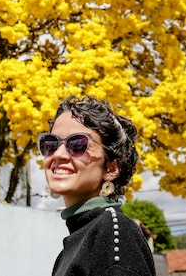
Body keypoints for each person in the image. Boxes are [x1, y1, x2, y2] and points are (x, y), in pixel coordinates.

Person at [40, 95, 156, 276]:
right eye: (50, 144)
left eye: (78, 144)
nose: (58, 154)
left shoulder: (114, 233)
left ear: (111, 168)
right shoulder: (72, 246)